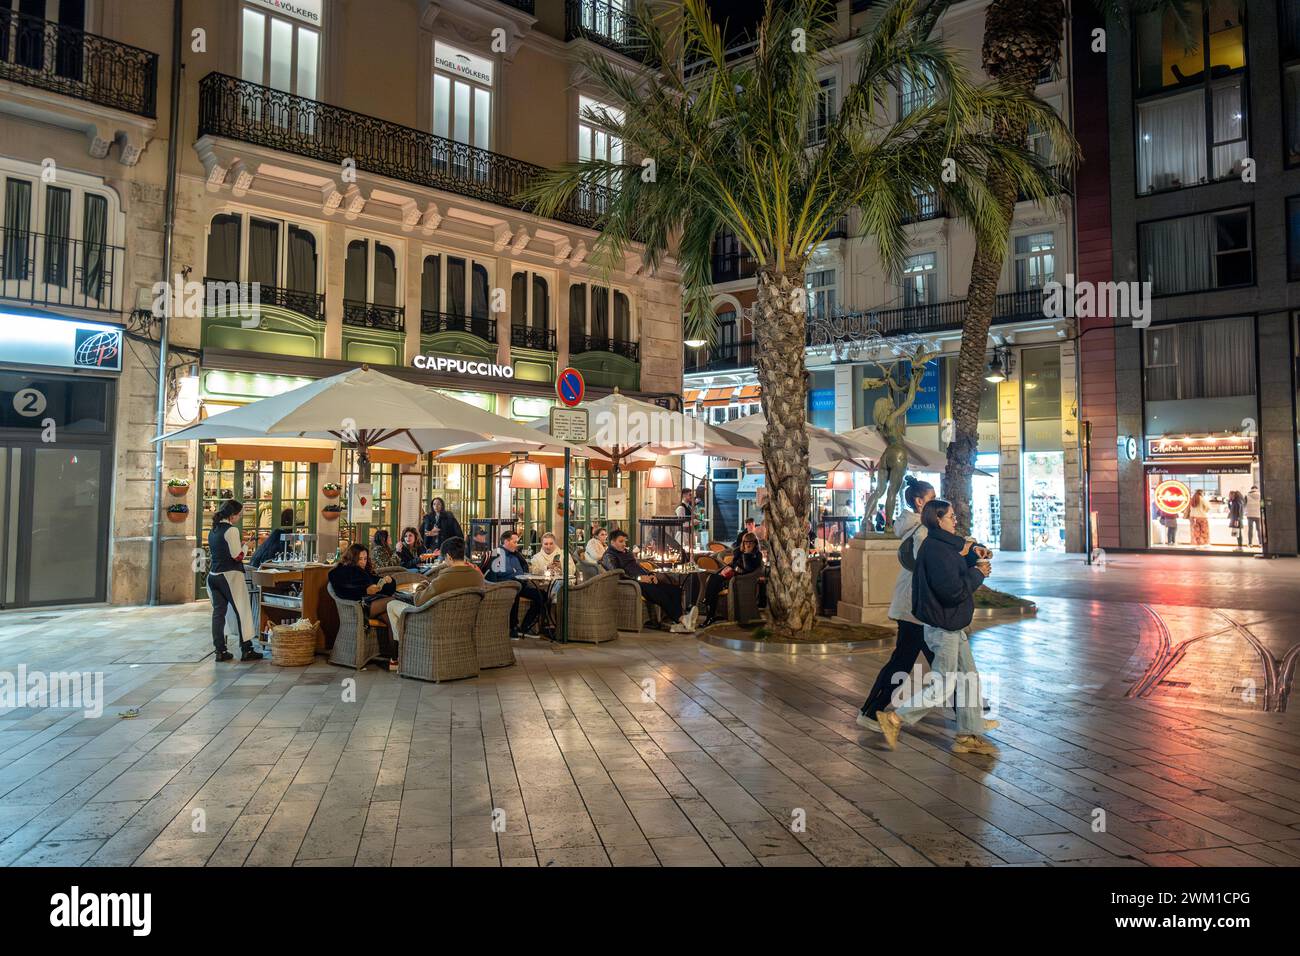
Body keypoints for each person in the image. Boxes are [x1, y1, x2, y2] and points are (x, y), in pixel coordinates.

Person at [876, 499, 997, 756]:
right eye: (951, 516)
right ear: (938, 520)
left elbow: (952, 570)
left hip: (952, 624)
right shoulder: (936, 550)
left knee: (968, 678)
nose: (955, 520)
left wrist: (975, 558)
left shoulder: (942, 546)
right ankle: (896, 718)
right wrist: (978, 574)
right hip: (944, 626)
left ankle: (968, 734)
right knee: (944, 684)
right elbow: (951, 590)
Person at [857, 477, 941, 728]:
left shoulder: (913, 526)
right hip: (916, 608)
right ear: (919, 501)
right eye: (932, 497)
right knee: (924, 662)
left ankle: (969, 714)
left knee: (937, 661)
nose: (936, 502)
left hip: (914, 606)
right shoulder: (922, 531)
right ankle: (871, 711)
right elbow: (926, 565)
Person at [387, 536, 484, 643]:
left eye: (444, 558)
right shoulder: (478, 576)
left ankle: (405, 644)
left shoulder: (445, 579)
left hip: (436, 623)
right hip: (466, 624)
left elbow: (418, 601)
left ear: (449, 557)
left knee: (391, 605)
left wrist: (422, 585)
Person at [602, 529, 697, 632]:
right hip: (632, 584)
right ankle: (682, 619)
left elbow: (637, 566)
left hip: (644, 580)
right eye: (621, 541)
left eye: (625, 541)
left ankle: (678, 623)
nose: (624, 544)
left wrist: (650, 574)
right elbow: (617, 573)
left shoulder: (626, 552)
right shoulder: (609, 556)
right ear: (612, 542)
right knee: (659, 593)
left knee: (675, 590)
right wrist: (639, 578)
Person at [207, 499, 262, 662]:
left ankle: (220, 651)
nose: (239, 517)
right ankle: (247, 649)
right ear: (232, 515)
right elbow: (237, 556)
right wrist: (248, 545)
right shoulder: (231, 531)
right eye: (239, 515)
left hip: (213, 576)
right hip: (230, 576)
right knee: (243, 611)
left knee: (218, 613)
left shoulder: (213, 530)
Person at [329, 545, 399, 664]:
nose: (362, 562)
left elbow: (381, 586)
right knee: (391, 601)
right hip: (357, 607)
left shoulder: (364, 572)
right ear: (352, 558)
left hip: (370, 604)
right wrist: (364, 590)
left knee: (391, 618)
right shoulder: (339, 572)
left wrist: (390, 581)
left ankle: (395, 659)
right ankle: (412, 610)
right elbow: (343, 591)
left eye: (365, 558)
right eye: (360, 559)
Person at [486, 531, 545, 638]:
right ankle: (512, 628)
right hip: (504, 586)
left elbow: (523, 569)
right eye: (514, 542)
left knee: (542, 595)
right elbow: (496, 574)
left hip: (520, 584)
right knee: (515, 591)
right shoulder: (497, 553)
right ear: (506, 541)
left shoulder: (516, 554)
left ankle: (525, 627)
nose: (517, 544)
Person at [701, 532, 762, 625]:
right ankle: (710, 615)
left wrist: (747, 554)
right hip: (731, 576)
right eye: (746, 542)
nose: (748, 544)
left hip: (741, 579)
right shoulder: (739, 552)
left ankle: (708, 608)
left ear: (755, 543)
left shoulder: (757, 555)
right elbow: (733, 564)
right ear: (743, 543)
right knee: (713, 579)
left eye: (751, 542)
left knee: (715, 582)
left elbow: (748, 569)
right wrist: (726, 569)